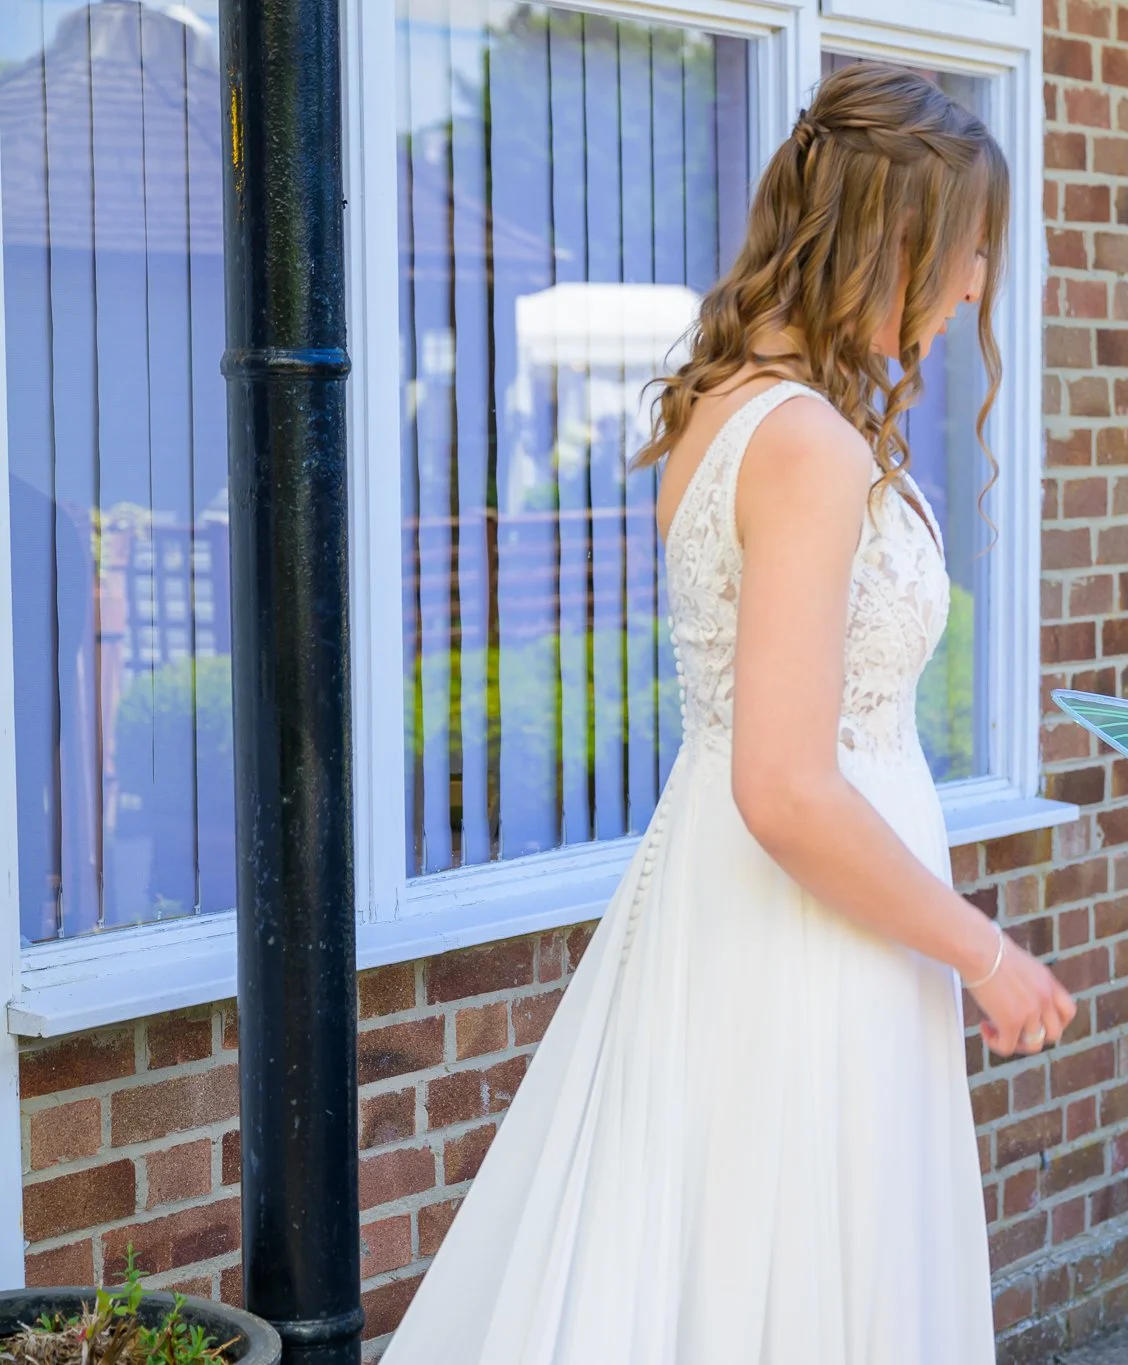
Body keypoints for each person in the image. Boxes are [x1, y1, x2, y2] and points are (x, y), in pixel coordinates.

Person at [383, 64, 1075, 1365]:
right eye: (970, 243)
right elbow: (790, 787)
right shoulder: (806, 440)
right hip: (806, 929)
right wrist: (987, 954)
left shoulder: (729, 407)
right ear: (893, 234)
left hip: (760, 905)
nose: (978, 280)